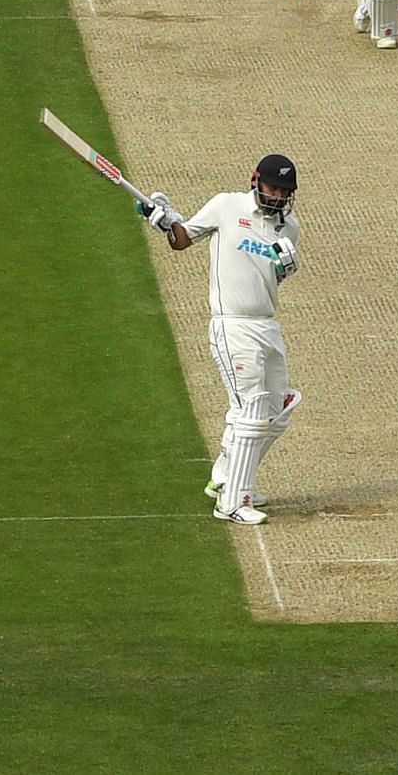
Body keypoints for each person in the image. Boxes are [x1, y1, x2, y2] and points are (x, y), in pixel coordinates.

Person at [138, 154, 303, 525]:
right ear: (256, 181)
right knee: (252, 408)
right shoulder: (227, 206)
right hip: (232, 325)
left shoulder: (288, 227)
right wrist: (165, 222)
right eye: (272, 188)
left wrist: (285, 270)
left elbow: (267, 280)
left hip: (266, 325)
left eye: (284, 191)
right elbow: (182, 240)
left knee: (279, 407)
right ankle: (231, 502)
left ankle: (229, 478)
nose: (277, 196)